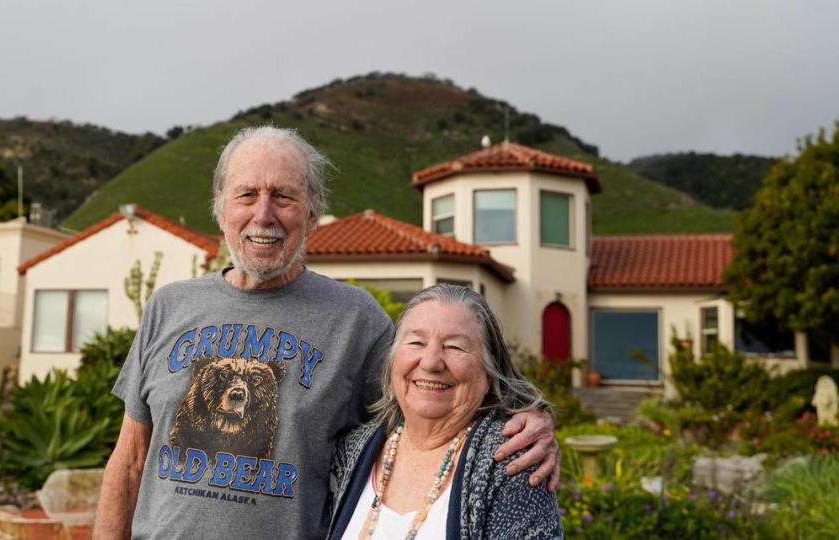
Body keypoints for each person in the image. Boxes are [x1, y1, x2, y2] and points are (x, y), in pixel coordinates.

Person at [92, 126, 559, 539]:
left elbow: (434, 387)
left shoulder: (358, 320)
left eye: (284, 196)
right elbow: (130, 460)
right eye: (246, 194)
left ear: (312, 213)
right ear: (220, 209)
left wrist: (527, 418)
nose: (264, 214)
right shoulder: (168, 307)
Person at [327, 284, 562, 539]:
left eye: (455, 347)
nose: (430, 363)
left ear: (488, 374)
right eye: (416, 342)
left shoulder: (513, 460)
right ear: (392, 362)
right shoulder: (352, 450)